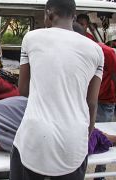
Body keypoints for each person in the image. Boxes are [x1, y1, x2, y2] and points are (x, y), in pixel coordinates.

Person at [11, 0, 104, 179]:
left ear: (49, 14)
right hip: (74, 139)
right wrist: (87, 135)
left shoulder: (31, 38)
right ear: (74, 17)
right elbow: (92, 102)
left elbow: (23, 89)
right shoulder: (96, 50)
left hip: (34, 136)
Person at [74, 21, 116, 180]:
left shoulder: (106, 52)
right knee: (84, 136)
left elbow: (114, 75)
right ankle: (79, 170)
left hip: (105, 101)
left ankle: (100, 174)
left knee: (103, 139)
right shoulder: (75, 53)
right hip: (84, 99)